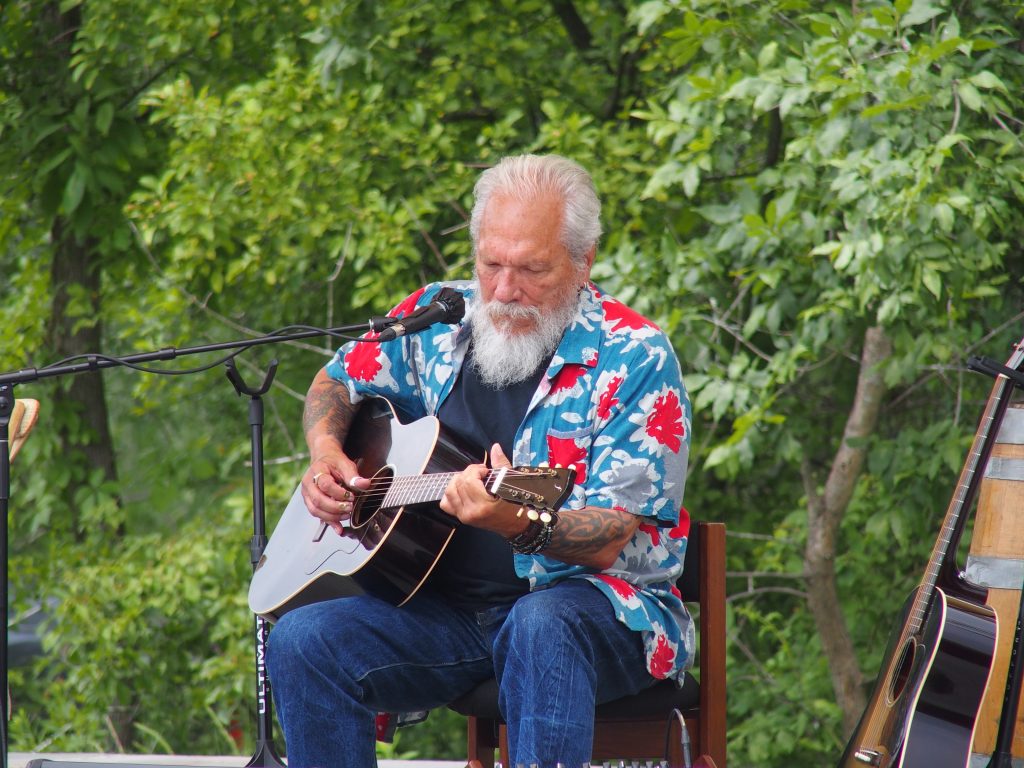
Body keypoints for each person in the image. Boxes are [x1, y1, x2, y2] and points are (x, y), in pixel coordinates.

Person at [266, 154, 693, 767]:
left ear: (584, 261)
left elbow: (610, 536)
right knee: (304, 640)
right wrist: (325, 453)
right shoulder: (438, 317)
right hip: (447, 615)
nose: (504, 289)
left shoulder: (635, 357)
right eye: (491, 264)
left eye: (532, 269)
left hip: (598, 612)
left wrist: (513, 521)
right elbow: (337, 380)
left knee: (541, 624)